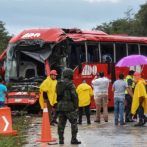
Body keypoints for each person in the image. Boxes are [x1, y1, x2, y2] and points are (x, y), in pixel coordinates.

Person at [56, 68, 81, 145]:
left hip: (60, 106)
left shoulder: (59, 83)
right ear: (69, 75)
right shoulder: (70, 84)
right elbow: (74, 95)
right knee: (73, 122)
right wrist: (76, 106)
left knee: (61, 123)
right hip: (69, 106)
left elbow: (57, 93)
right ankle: (73, 139)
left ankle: (61, 139)